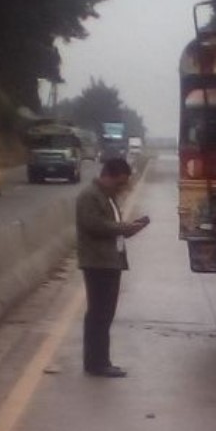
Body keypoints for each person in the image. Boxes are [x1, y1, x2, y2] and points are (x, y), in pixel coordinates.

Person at [75, 158, 149, 378]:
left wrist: (129, 227)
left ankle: (100, 360)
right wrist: (125, 228)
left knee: (105, 314)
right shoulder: (90, 196)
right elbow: (94, 225)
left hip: (110, 261)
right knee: (99, 314)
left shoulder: (107, 197)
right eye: (119, 183)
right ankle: (96, 363)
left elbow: (108, 224)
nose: (121, 188)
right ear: (107, 175)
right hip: (98, 262)